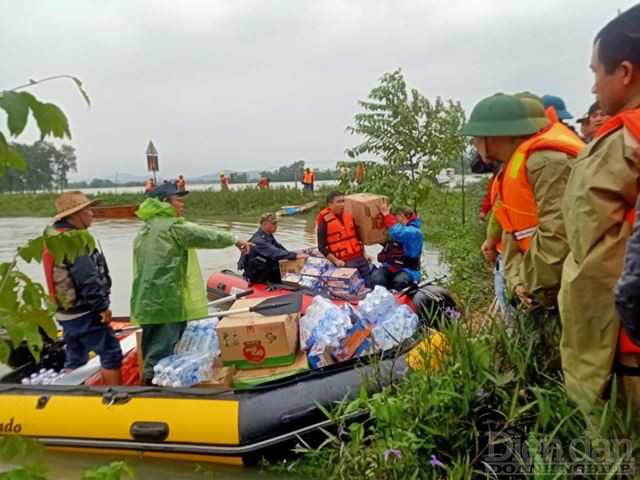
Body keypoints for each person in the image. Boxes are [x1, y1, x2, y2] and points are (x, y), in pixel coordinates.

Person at [558, 4, 640, 414]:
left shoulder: (620, 145)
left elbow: (594, 255)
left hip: (627, 340)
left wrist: (585, 364)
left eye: (596, 72)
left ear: (624, 71)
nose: (593, 88)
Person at [461, 93, 584, 312]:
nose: (474, 144)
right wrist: (518, 279)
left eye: (475, 138)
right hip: (536, 283)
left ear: (492, 137)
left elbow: (558, 234)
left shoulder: (546, 163)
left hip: (555, 288)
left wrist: (530, 285)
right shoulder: (514, 164)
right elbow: (513, 229)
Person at [130, 182, 252, 385]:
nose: (182, 205)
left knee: (159, 349)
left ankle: (160, 389)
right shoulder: (170, 226)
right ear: (164, 202)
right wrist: (234, 239)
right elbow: (203, 234)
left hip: (150, 300)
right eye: (178, 200)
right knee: (159, 355)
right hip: (164, 302)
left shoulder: (148, 227)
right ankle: (152, 394)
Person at [42, 191, 123, 385]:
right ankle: (115, 399)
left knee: (76, 354)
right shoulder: (74, 241)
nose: (92, 213)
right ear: (74, 215)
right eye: (88, 209)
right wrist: (102, 307)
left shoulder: (54, 237)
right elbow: (87, 279)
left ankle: (74, 396)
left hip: (64, 313)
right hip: (84, 312)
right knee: (110, 352)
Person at [316, 191, 372, 287]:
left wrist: (364, 254)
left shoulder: (349, 216)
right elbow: (321, 247)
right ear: (330, 205)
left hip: (359, 257)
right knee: (353, 288)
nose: (342, 204)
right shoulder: (324, 222)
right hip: (343, 261)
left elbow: (357, 238)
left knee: (370, 283)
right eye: (338, 202)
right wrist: (336, 261)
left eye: (343, 201)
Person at [239, 212, 308, 284]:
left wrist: (295, 254)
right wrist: (296, 256)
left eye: (276, 223)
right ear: (264, 224)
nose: (276, 226)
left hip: (267, 271)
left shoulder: (268, 236)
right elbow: (275, 252)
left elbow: (279, 248)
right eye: (274, 223)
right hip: (258, 277)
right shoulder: (258, 240)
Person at [371, 204, 423, 291]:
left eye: (396, 217)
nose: (394, 219)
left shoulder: (415, 232)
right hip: (389, 266)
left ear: (401, 216)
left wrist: (386, 215)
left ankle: (397, 301)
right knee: (377, 278)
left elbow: (399, 233)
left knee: (399, 282)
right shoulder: (399, 228)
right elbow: (393, 244)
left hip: (407, 269)